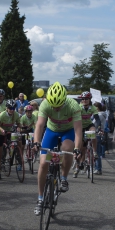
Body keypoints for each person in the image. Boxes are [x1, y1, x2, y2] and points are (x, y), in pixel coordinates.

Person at [32, 82, 82, 215]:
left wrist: (77, 148)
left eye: (58, 106)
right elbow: (40, 125)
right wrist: (36, 142)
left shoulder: (73, 105)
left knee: (67, 148)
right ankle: (40, 198)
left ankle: (64, 178)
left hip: (67, 131)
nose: (56, 109)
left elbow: (78, 130)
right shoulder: (45, 104)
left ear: (64, 100)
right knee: (43, 163)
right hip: (51, 131)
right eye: (53, 106)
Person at [0, 99, 19, 180]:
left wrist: (19, 128)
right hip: (0, 133)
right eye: (10, 108)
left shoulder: (16, 114)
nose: (12, 110)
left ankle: (10, 154)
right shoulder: (2, 115)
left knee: (17, 141)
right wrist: (2, 130)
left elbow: (19, 123)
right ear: (7, 108)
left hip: (9, 132)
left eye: (13, 108)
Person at [73, 91, 98, 178]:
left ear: (89, 99)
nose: (84, 100)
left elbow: (97, 118)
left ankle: (94, 152)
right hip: (80, 127)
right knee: (80, 150)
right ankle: (77, 168)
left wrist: (99, 127)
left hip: (89, 125)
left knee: (94, 132)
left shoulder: (93, 108)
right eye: (83, 99)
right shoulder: (79, 107)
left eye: (86, 99)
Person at [93, 102, 107, 175]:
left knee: (96, 152)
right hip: (100, 133)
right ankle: (97, 168)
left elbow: (94, 123)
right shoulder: (103, 114)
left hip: (97, 133)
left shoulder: (100, 115)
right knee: (97, 151)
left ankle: (98, 168)